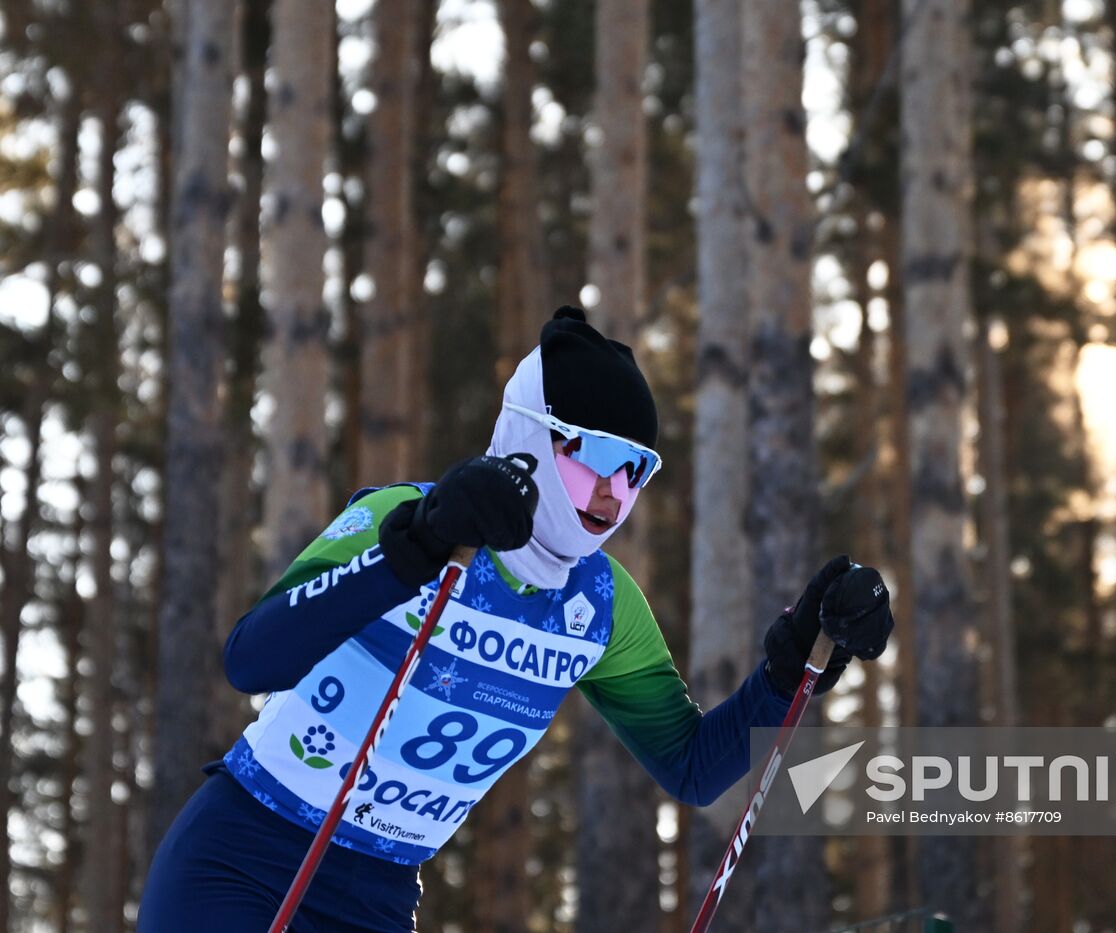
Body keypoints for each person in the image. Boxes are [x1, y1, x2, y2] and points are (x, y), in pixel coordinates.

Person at [137, 307, 894, 931]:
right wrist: (416, 549)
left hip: (376, 893)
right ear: (531, 433)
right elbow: (250, 660)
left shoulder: (599, 605)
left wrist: (790, 668)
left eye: (637, 467)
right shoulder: (403, 519)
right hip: (242, 858)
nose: (613, 490)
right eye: (595, 453)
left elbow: (693, 766)